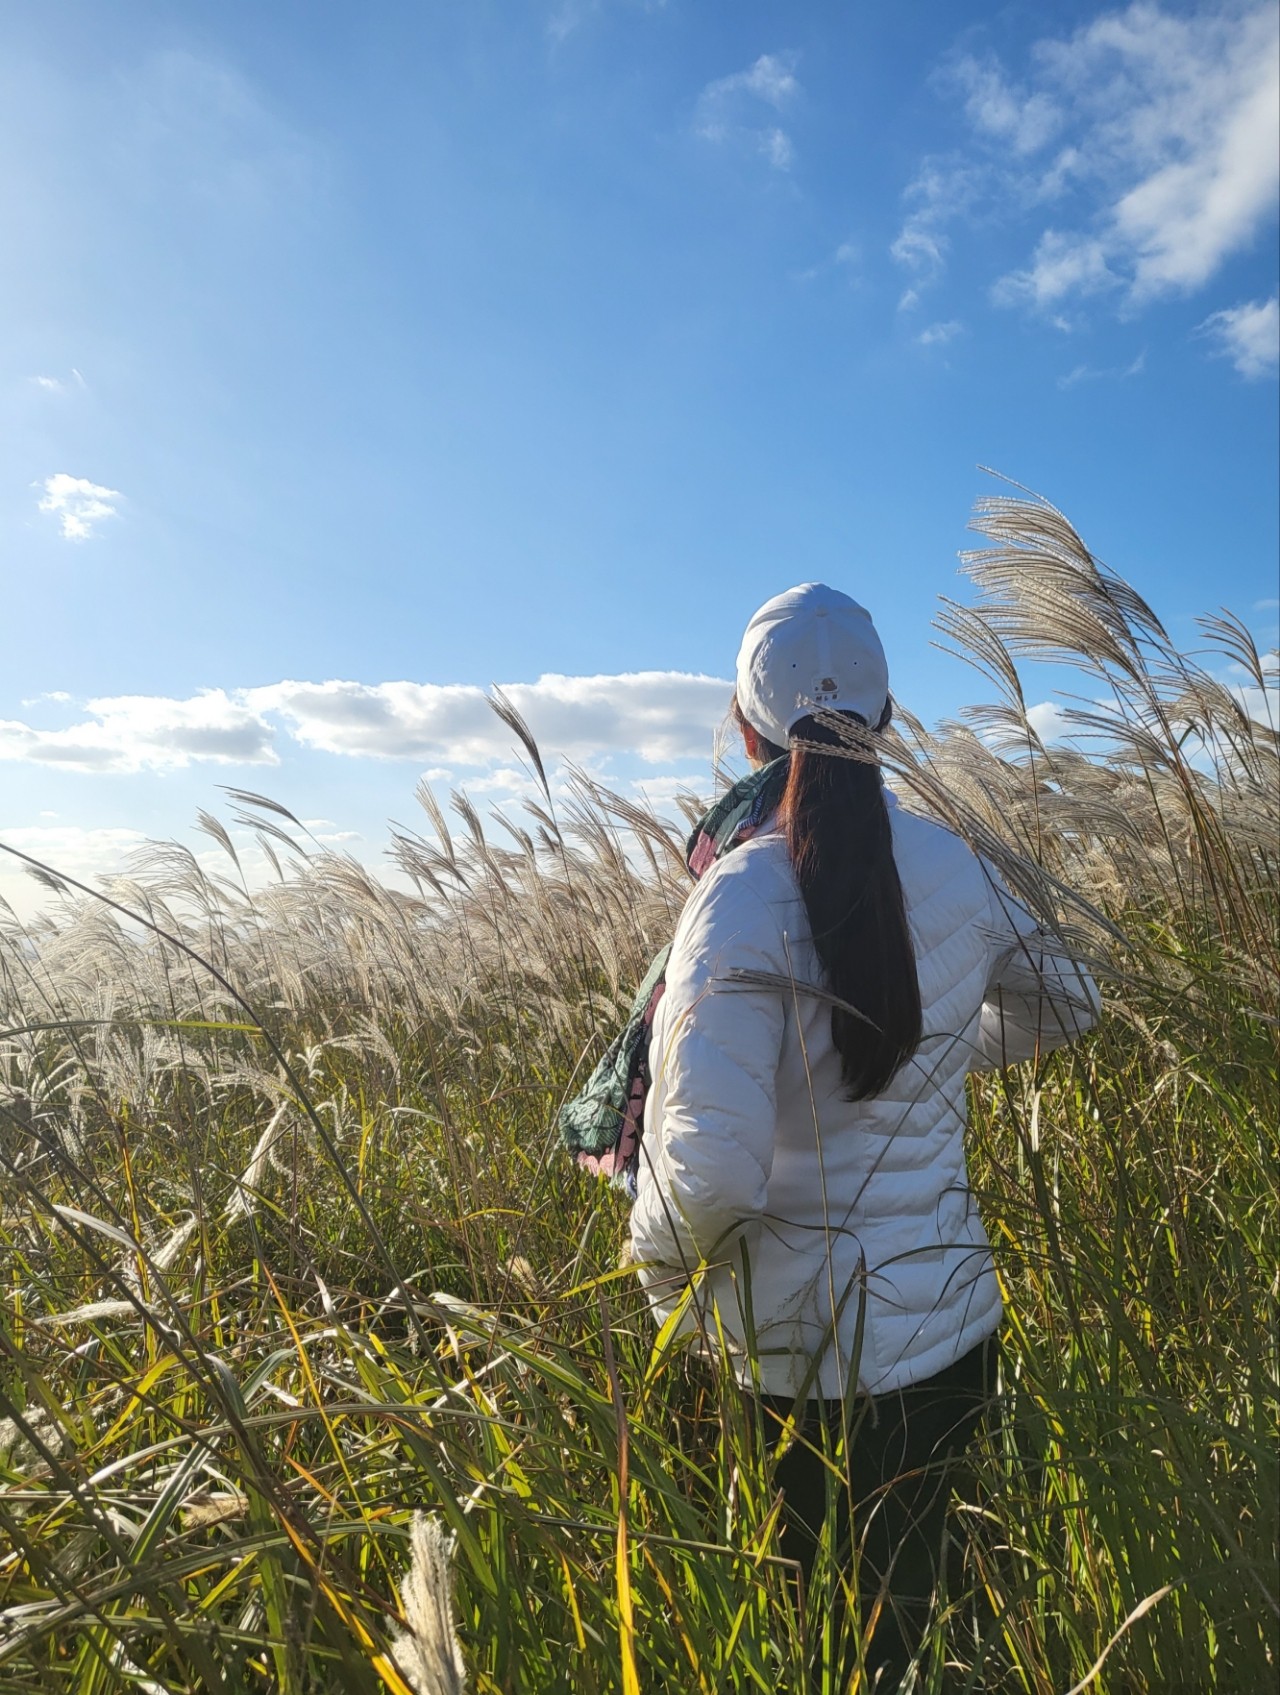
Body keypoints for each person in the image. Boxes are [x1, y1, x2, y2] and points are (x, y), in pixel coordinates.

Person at [628, 583, 1100, 1685]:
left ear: (747, 730)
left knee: (833, 1656)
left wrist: (656, 1282)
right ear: (885, 718)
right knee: (946, 1635)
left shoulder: (736, 898)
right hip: (953, 1336)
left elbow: (708, 1172)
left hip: (800, 1374)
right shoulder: (956, 863)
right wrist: (932, 1049)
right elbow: (1070, 1003)